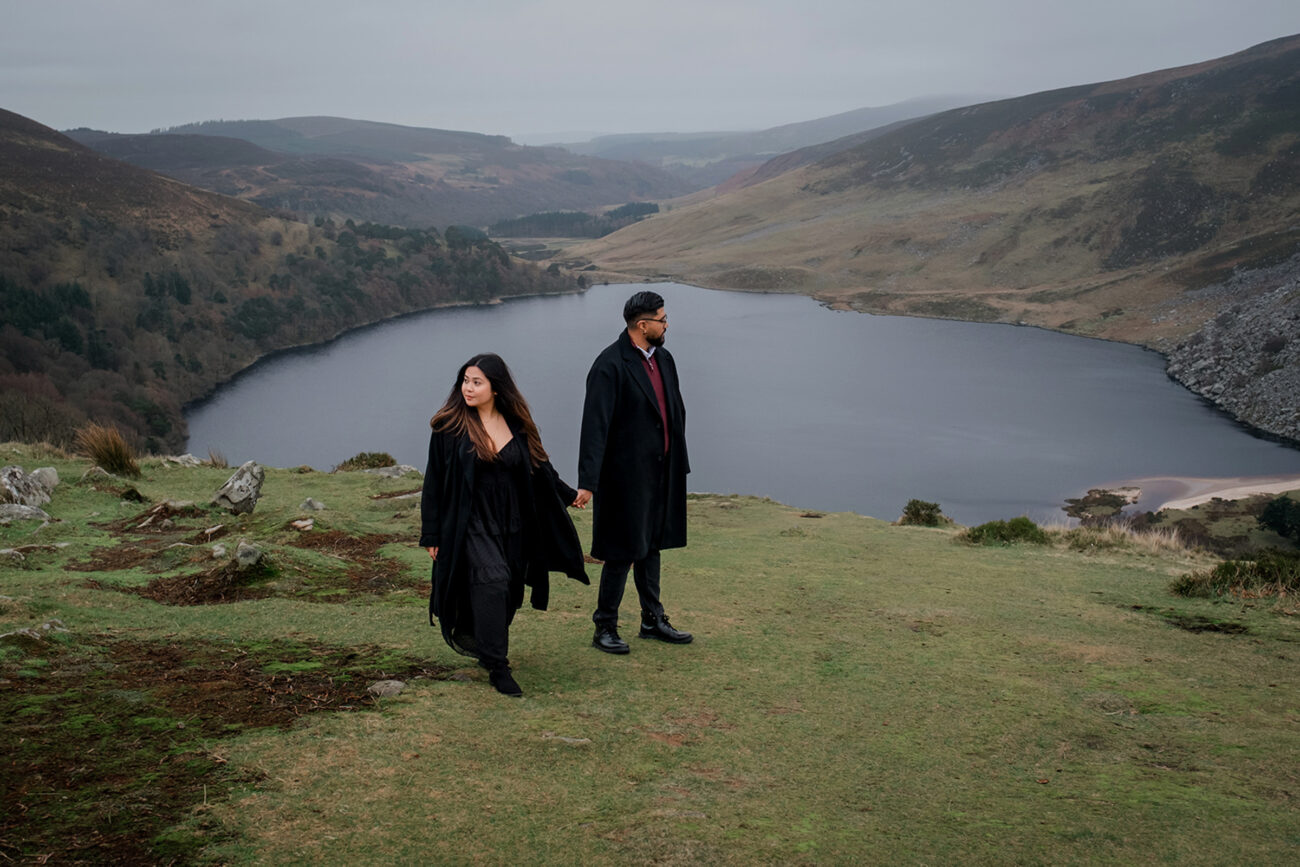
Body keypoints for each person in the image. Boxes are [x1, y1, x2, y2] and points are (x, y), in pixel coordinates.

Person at [420, 353, 588, 696]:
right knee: (493, 582)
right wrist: (432, 534)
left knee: (510, 590)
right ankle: (498, 667)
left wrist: (569, 494)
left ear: (496, 388)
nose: (468, 388)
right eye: (465, 380)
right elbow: (434, 484)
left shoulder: (517, 425)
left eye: (477, 382)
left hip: (513, 522)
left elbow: (540, 467)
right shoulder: (448, 428)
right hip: (471, 524)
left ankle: (485, 643)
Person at [575, 290, 693, 653]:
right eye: (661, 319)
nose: (666, 324)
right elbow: (595, 427)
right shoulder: (609, 365)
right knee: (621, 551)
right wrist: (588, 483)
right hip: (624, 479)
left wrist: (679, 463)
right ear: (642, 325)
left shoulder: (665, 359)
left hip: (661, 474)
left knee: (651, 546)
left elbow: (674, 413)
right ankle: (604, 627)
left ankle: (652, 619)